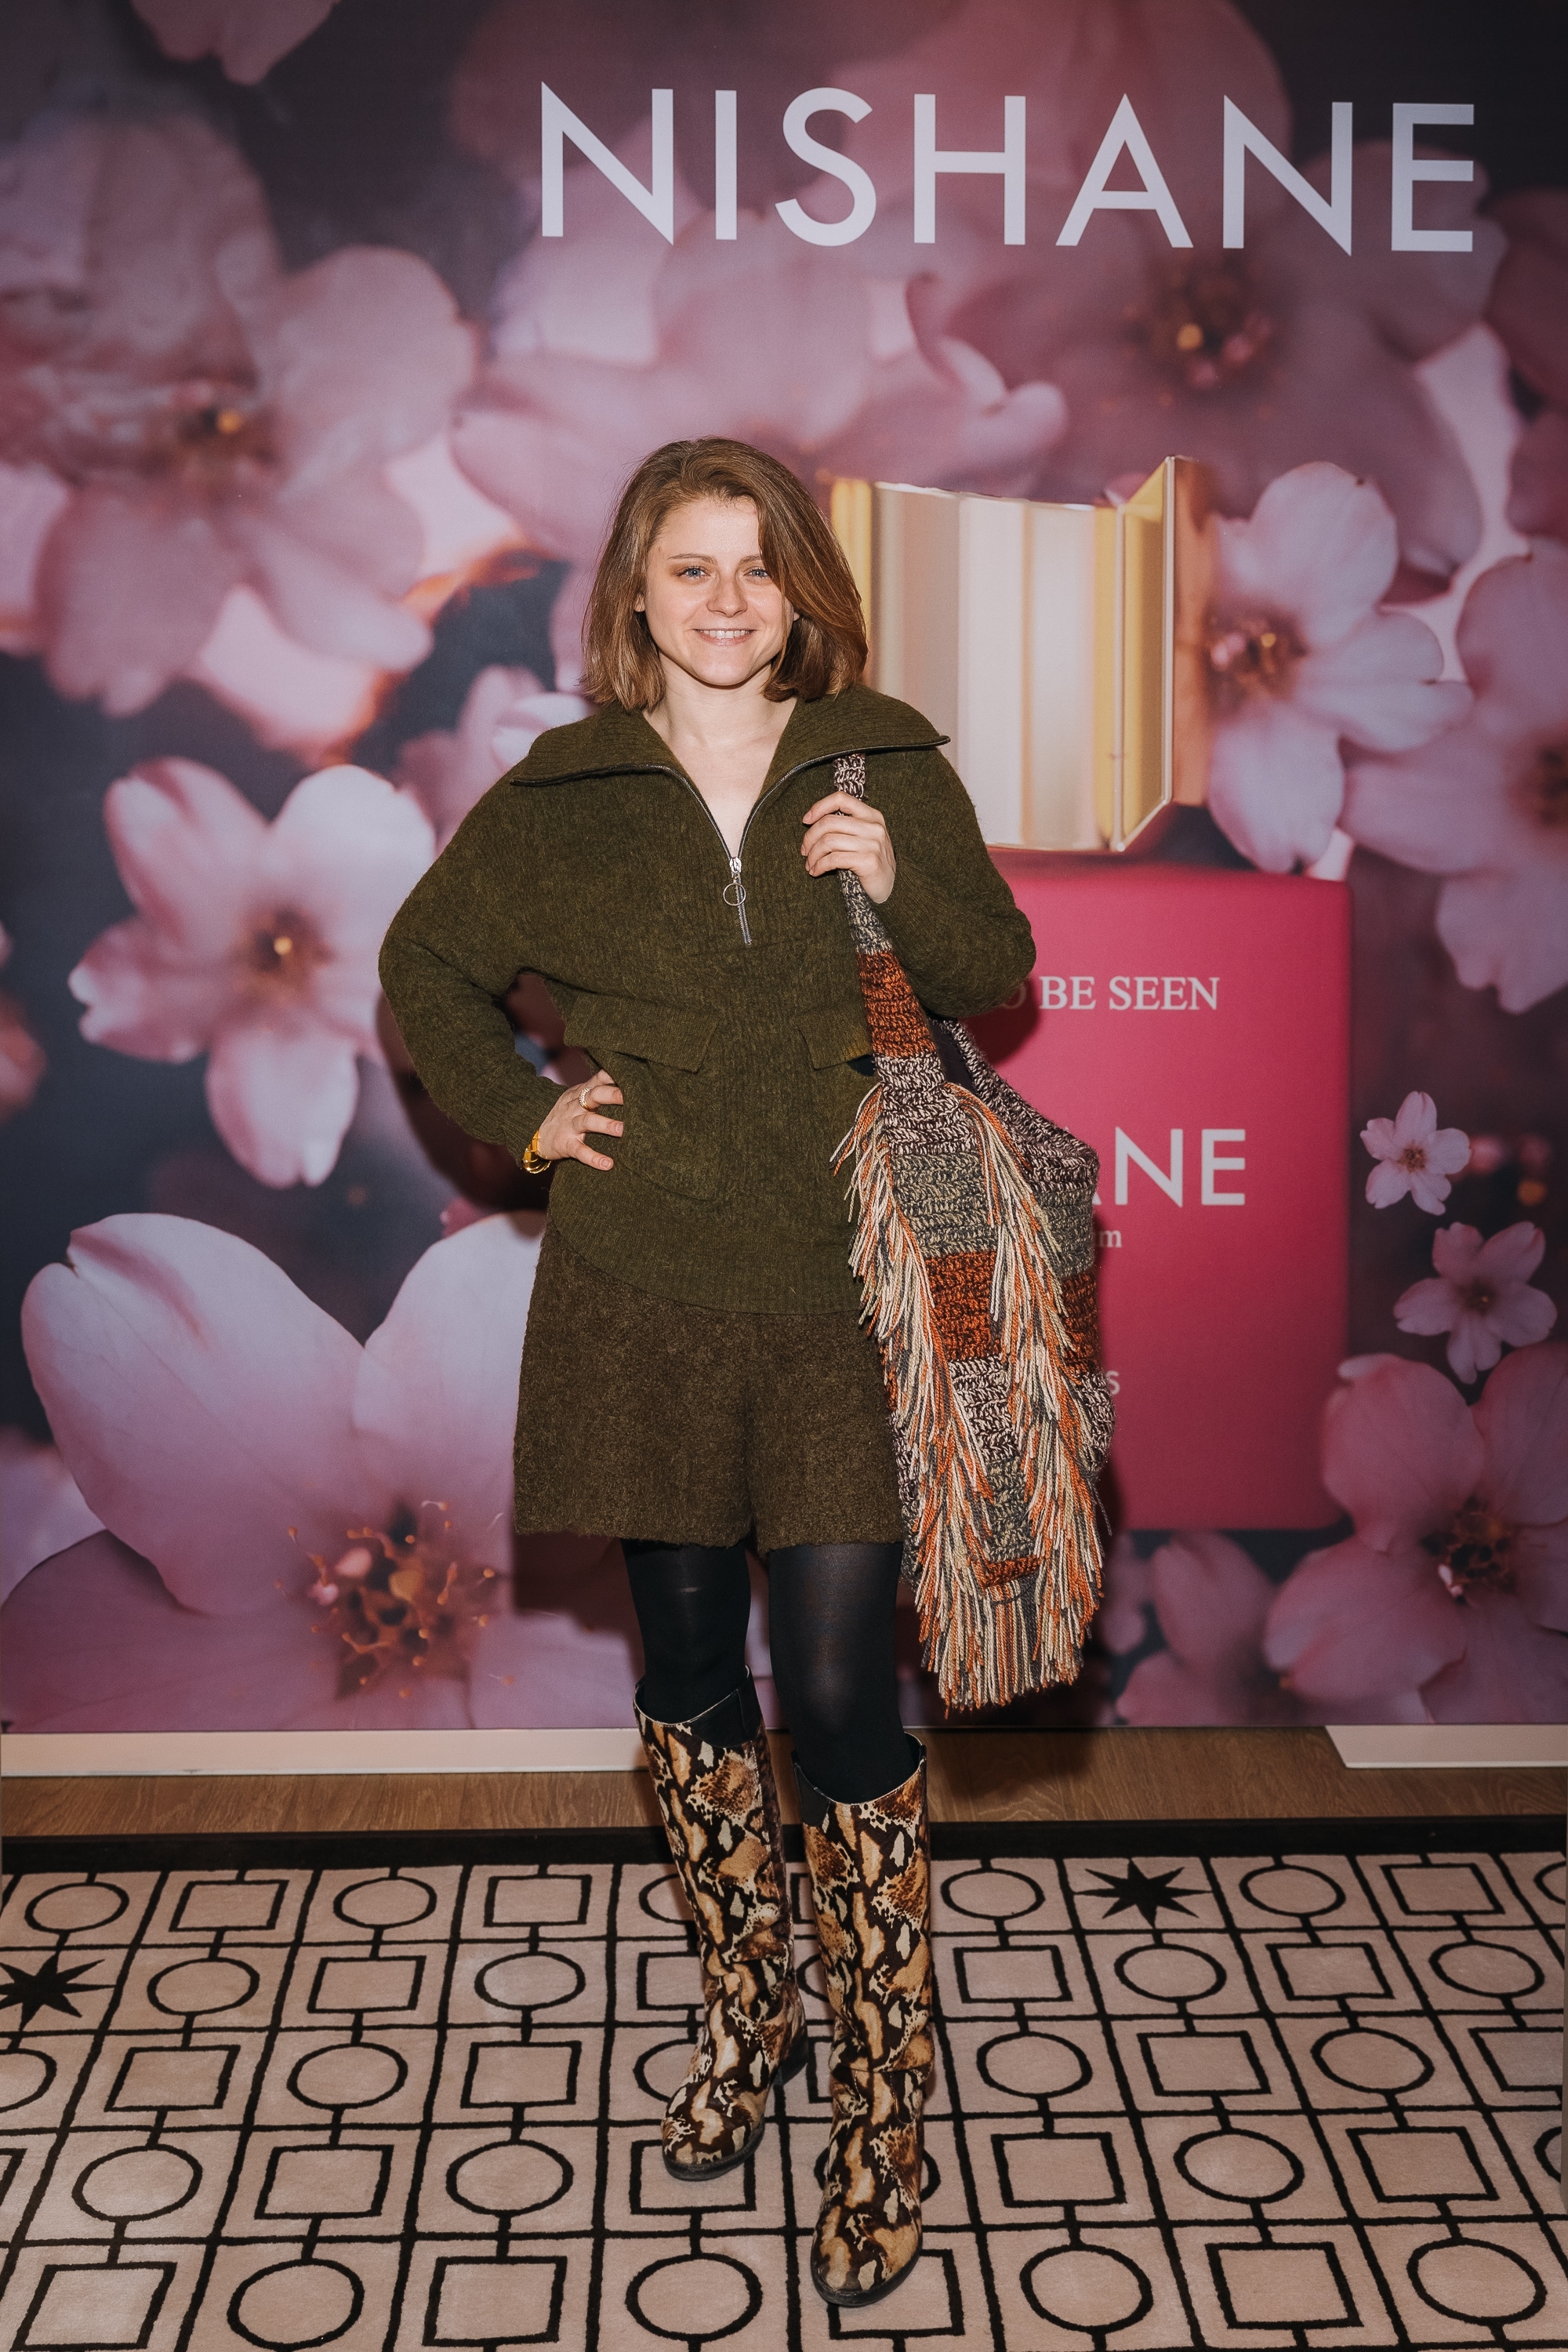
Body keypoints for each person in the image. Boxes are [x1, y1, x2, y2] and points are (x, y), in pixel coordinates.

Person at [379, 437, 1034, 2308]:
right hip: (642, 1288)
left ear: (800, 588)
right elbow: (426, 965)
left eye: (758, 564)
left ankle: (883, 2102)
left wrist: (894, 879)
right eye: (691, 567)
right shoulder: (565, 791)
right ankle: (750, 2018)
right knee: (682, 1672)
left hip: (841, 1284)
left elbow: (994, 965)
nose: (728, 598)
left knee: (834, 1695)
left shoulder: (881, 758)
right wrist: (525, 1113)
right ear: (636, 597)